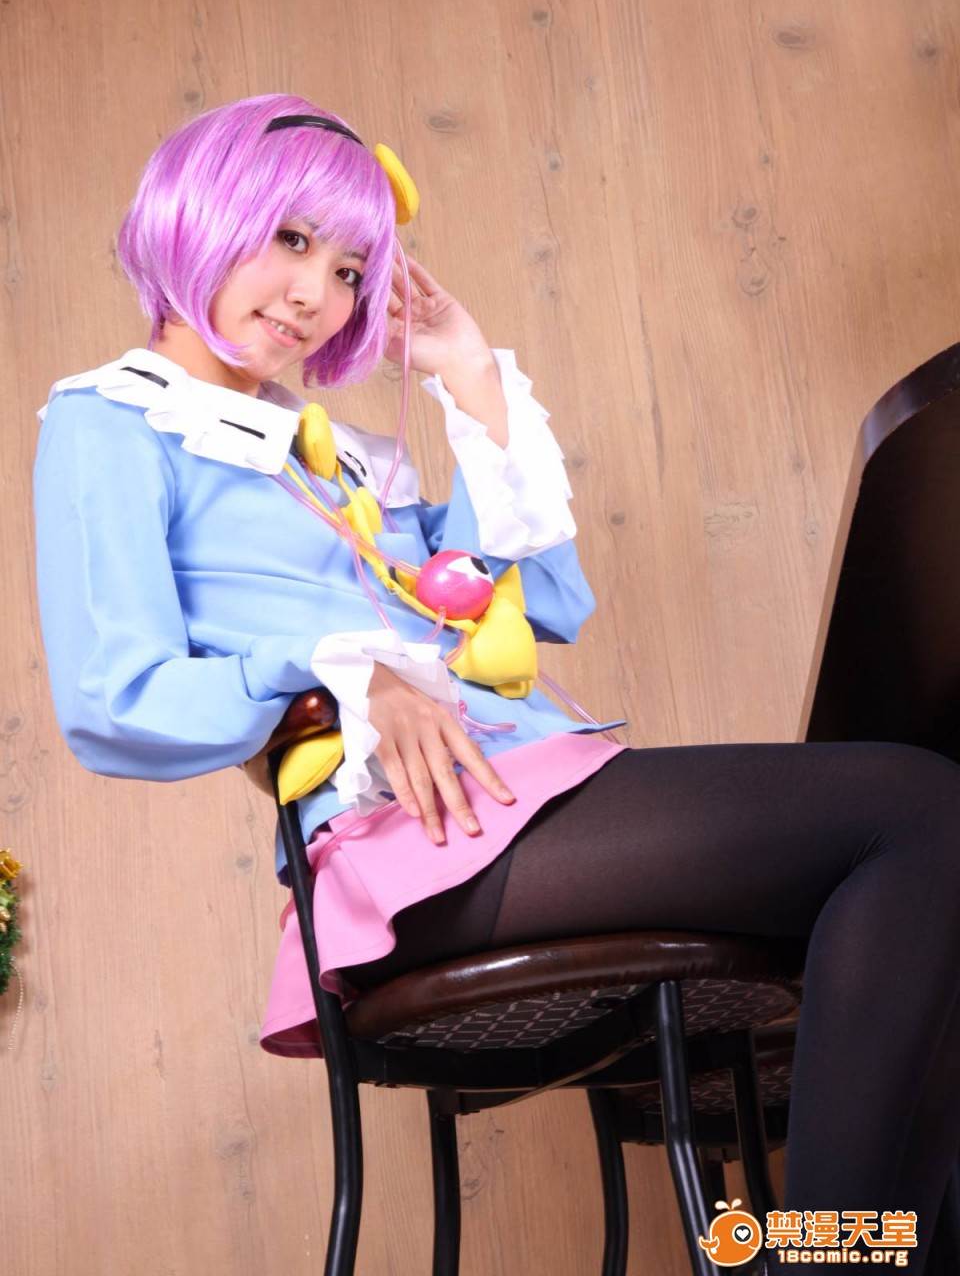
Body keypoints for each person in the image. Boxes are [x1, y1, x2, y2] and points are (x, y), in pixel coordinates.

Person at [33, 93, 960, 1269]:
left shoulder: (342, 461)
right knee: (919, 812)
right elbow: (113, 699)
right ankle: (843, 1257)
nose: (317, 292)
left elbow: (540, 604)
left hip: (518, 803)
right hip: (418, 848)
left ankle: (867, 1249)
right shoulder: (113, 423)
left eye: (350, 268)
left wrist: (468, 376)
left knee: (932, 902)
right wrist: (342, 670)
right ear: (201, 212)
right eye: (292, 239)